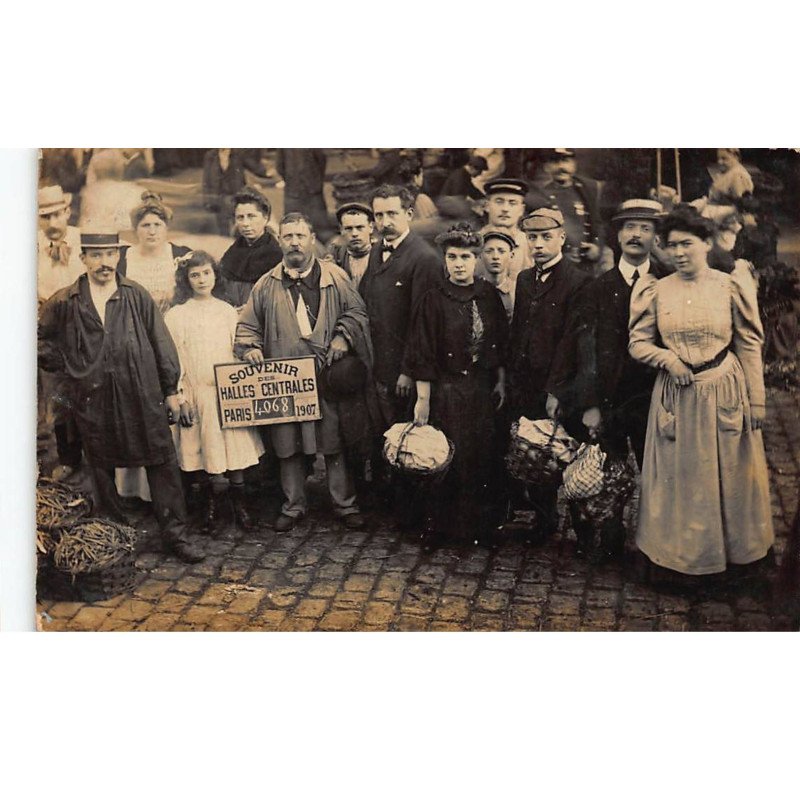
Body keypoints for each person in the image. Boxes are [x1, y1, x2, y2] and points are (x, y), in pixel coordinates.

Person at [38, 231, 205, 563]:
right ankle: (114, 534)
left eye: (110, 254)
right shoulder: (66, 300)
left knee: (161, 459)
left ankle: (176, 535)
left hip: (141, 393)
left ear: (118, 256)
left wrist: (171, 390)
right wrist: (73, 368)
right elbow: (41, 341)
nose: (104, 263)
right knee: (100, 464)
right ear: (83, 257)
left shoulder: (135, 295)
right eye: (96, 255)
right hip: (92, 399)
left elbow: (161, 342)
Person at [629, 206, 774, 577]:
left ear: (707, 243)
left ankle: (737, 563)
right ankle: (680, 564)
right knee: (681, 483)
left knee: (732, 478)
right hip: (677, 397)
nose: (678, 253)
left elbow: (748, 344)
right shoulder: (656, 290)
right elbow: (637, 343)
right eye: (672, 245)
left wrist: (756, 400)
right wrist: (668, 359)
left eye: (687, 244)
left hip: (724, 391)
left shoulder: (729, 286)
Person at [234, 212, 371, 532]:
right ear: (279, 241)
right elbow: (247, 327)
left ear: (312, 239)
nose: (294, 242)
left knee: (333, 441)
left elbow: (357, 313)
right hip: (286, 382)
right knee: (287, 444)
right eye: (287, 237)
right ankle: (293, 504)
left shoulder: (335, 277)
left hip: (326, 377)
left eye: (300, 236)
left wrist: (342, 335)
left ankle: (344, 503)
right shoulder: (266, 285)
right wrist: (251, 347)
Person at [407, 224, 509, 540]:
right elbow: (422, 351)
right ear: (445, 260)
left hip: (481, 389)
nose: (459, 263)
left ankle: (481, 527)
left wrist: (501, 380)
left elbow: (501, 341)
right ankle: (440, 526)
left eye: (466, 256)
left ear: (476, 259)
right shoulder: (433, 300)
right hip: (447, 391)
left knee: (481, 456)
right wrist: (422, 399)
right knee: (446, 456)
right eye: (452, 257)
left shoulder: (488, 295)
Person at [508, 208, 598, 552]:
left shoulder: (578, 281)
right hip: (528, 383)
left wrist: (556, 390)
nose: (539, 244)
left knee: (568, 454)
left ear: (562, 238)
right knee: (536, 454)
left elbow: (573, 341)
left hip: (561, 386)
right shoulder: (525, 279)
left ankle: (585, 529)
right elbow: (520, 332)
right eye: (532, 238)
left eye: (546, 237)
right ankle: (544, 520)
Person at [590, 199, 670, 559]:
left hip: (651, 395)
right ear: (617, 235)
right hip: (609, 397)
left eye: (646, 228)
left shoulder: (668, 285)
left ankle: (656, 542)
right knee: (610, 468)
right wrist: (590, 402)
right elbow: (585, 349)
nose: (636, 235)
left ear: (656, 238)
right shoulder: (597, 287)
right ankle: (609, 531)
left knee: (656, 468)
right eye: (628, 227)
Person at [165, 251, 264, 535]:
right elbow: (176, 359)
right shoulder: (178, 315)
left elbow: (238, 348)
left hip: (227, 392)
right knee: (201, 450)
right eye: (194, 275)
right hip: (198, 392)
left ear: (215, 275)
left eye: (206, 273)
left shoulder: (226, 311)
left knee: (234, 450)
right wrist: (181, 396)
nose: (201, 280)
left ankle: (239, 505)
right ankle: (208, 507)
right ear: (186, 280)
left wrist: (248, 359)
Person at [360, 185, 442, 434]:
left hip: (405, 373)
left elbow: (424, 323)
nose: (385, 222)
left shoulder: (424, 258)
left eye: (392, 214)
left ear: (409, 214)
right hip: (380, 365)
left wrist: (408, 371)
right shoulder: (376, 251)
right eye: (379, 215)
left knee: (406, 439)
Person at [37, 185, 85, 481]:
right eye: (45, 217)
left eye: (57, 214)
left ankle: (99, 456)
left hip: (84, 324)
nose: (53, 223)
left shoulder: (83, 240)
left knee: (91, 390)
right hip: (49, 328)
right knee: (60, 394)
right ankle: (68, 457)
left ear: (68, 211)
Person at [527, 149, 606, 275]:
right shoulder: (537, 194)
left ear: (574, 164)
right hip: (556, 266)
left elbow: (597, 222)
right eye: (554, 162)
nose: (561, 167)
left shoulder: (586, 189)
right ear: (546, 166)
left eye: (566, 161)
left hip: (586, 262)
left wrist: (596, 246)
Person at [117, 191, 191, 314]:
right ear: (135, 229)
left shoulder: (182, 255)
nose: (152, 231)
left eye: (157, 225)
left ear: (166, 227)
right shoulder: (121, 256)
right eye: (145, 225)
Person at [218, 187, 283, 307]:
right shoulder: (232, 253)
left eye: (251, 216)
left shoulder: (277, 255)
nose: (245, 223)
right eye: (240, 217)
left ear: (265, 218)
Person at [202, 148, 273, 236]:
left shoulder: (238, 153)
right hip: (220, 195)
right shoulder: (210, 155)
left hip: (236, 194)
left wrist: (268, 173)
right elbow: (207, 177)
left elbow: (252, 166)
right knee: (223, 226)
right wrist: (208, 197)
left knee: (240, 223)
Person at [476, 178, 531, 280]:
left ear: (521, 210)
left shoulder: (530, 246)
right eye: (499, 202)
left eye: (512, 203)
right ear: (487, 206)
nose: (505, 209)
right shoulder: (472, 243)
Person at [276, 149, 332, 240]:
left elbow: (321, 160)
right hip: (297, 188)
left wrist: (317, 179)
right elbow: (280, 166)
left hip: (308, 187)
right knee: (292, 224)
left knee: (320, 227)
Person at [334, 202, 374, 289]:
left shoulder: (383, 256)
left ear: (371, 227)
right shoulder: (335, 258)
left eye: (359, 228)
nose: (354, 234)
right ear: (341, 230)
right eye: (348, 229)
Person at [480, 231, 518, 321]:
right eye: (489, 251)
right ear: (480, 255)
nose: (495, 256)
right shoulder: (473, 289)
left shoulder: (518, 290)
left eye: (501, 251)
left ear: (511, 256)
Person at [437, 154, 488, 220]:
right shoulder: (460, 176)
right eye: (480, 171)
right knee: (474, 218)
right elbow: (457, 196)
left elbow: (473, 191)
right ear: (472, 168)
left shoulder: (464, 175)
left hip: (453, 204)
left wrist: (485, 198)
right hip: (449, 205)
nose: (480, 174)